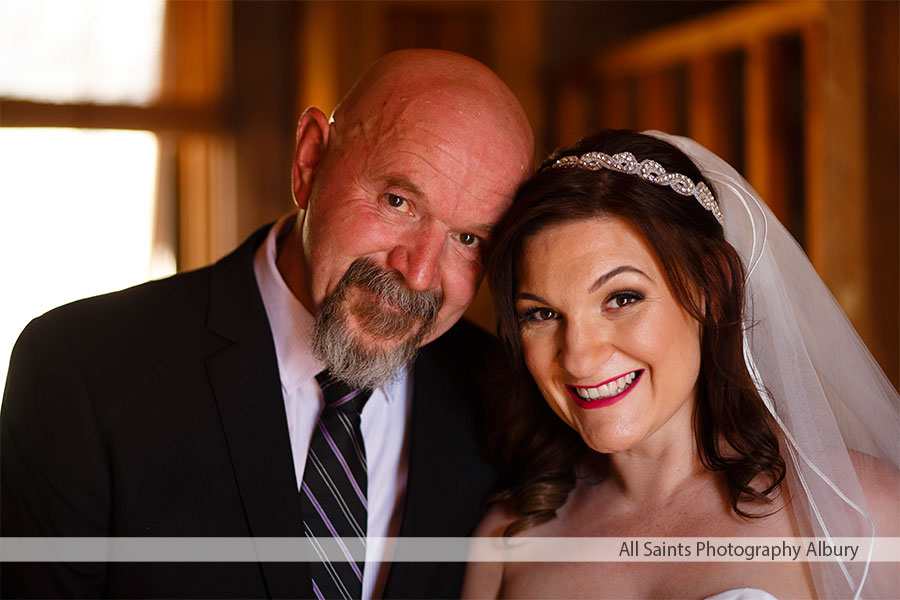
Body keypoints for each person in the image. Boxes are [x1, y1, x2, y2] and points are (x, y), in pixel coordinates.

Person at [1, 49, 534, 598]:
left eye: (469, 239)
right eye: (397, 201)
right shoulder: (79, 369)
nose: (421, 273)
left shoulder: (506, 395)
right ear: (309, 161)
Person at [462, 130, 899, 599]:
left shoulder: (856, 509)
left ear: (711, 287)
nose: (579, 357)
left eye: (622, 298)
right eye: (541, 314)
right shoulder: (507, 542)